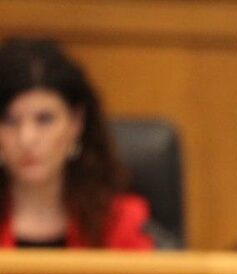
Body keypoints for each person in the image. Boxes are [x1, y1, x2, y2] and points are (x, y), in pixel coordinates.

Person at [0, 38, 154, 249]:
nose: (27, 139)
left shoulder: (119, 223)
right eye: (10, 121)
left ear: (76, 122)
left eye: (44, 119)